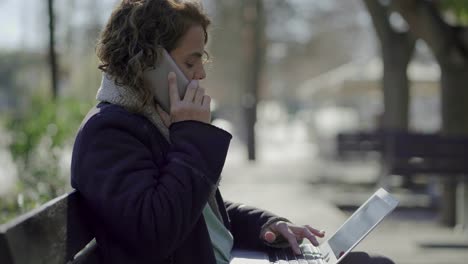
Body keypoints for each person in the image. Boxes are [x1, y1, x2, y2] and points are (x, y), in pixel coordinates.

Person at [70, 1, 395, 263]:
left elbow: (199, 216)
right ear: (151, 62)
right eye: (190, 62)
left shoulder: (152, 122)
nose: (199, 75)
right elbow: (155, 234)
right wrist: (193, 134)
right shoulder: (109, 132)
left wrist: (265, 226)